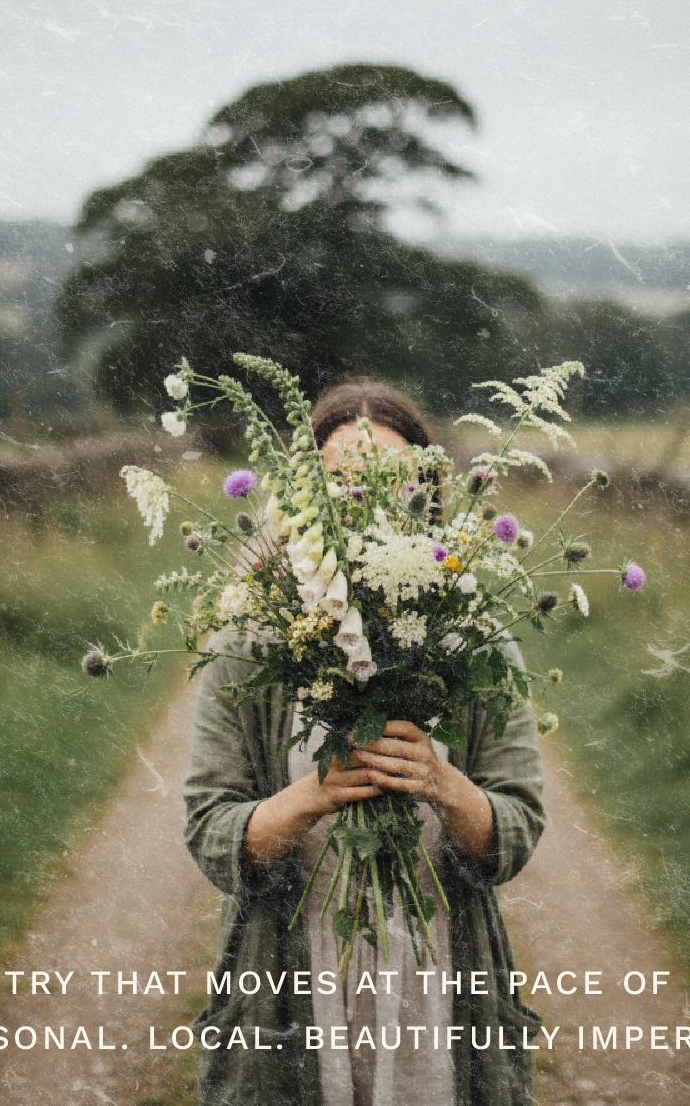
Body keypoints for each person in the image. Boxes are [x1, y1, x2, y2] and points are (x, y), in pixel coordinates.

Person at [183, 381, 546, 1106]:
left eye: (393, 479)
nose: (371, 499)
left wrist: (443, 783)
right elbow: (209, 831)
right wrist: (311, 796)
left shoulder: (473, 633)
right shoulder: (250, 641)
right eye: (344, 484)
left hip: (440, 970)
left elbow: (514, 832)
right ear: (304, 500)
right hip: (294, 972)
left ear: (428, 493)